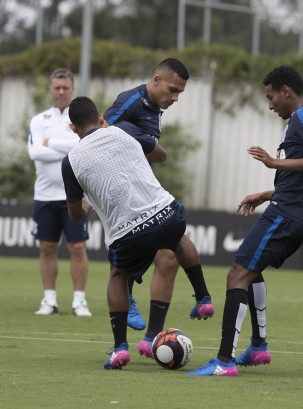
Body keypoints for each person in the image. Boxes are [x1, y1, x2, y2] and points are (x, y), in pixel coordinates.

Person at [188, 65, 303, 376]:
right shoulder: (299, 121)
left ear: (286, 92)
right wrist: (266, 194)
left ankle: (225, 362)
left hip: (288, 213)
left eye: (271, 97)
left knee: (237, 274)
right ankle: (258, 348)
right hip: (295, 210)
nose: (270, 104)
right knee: (251, 270)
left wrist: (273, 161)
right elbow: (302, 178)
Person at [62, 96, 209, 369]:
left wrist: (85, 204)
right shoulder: (125, 130)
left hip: (129, 232)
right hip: (167, 211)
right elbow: (158, 153)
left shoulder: (70, 162)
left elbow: (74, 215)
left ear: (73, 128)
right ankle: (204, 298)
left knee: (118, 275)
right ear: (101, 116)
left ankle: (120, 349)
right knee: (177, 240)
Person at [103, 57, 214, 339]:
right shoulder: (131, 101)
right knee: (129, 258)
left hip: (145, 190)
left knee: (168, 258)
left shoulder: (154, 107)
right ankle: (127, 304)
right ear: (156, 80)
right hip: (121, 194)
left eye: (180, 93)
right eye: (173, 90)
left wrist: (152, 149)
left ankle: (152, 337)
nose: (175, 98)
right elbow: (100, 133)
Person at [28, 68, 91, 317]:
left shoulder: (79, 119)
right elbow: (34, 153)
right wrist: (67, 149)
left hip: (73, 195)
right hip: (44, 195)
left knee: (77, 248)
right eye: (57, 88)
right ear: (50, 90)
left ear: (72, 90)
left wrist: (50, 143)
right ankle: (49, 300)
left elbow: (83, 145)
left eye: (66, 88)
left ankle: (79, 301)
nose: (62, 92)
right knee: (46, 247)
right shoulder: (39, 120)